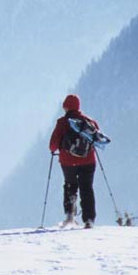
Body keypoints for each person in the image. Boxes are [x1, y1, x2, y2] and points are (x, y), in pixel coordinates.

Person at [49, 94, 100, 228]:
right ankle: (89, 220)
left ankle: (69, 217)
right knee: (87, 188)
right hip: (88, 161)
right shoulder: (89, 122)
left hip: (68, 162)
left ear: (66, 106)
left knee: (70, 186)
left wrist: (54, 149)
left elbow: (53, 145)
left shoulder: (62, 122)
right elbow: (97, 139)